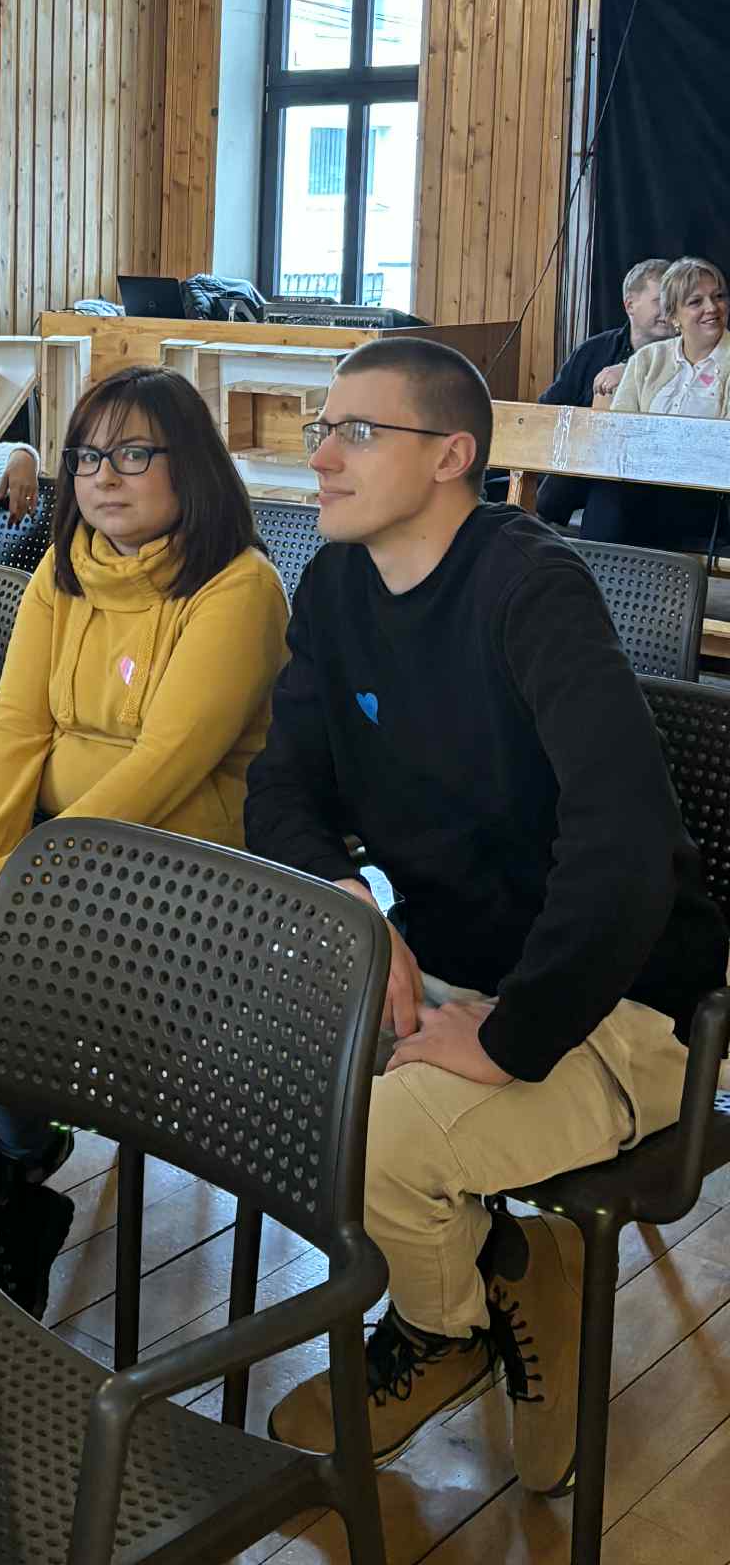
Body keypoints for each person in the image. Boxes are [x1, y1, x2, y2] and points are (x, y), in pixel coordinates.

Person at [246, 337, 725, 1494]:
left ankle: (442, 1330)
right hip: (455, 962)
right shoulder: (338, 582)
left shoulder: (530, 587)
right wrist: (357, 910)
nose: (322, 455)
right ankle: (519, 1263)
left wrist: (514, 1036)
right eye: (321, 427)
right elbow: (283, 786)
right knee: (262, 1083)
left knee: (379, 1141)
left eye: (358, 431)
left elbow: (625, 846)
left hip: (621, 999)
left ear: (452, 455)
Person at [0, 365, 290, 1316]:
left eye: (134, 454)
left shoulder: (240, 587)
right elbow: (15, 726)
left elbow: (165, 767)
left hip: (172, 861)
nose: (104, 476)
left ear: (191, 465)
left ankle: (16, 1157)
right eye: (89, 456)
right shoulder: (64, 571)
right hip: (44, 834)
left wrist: (12, 883)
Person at [581, 256, 730, 552]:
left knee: (618, 501)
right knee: (609, 495)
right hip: (645, 485)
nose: (712, 308)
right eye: (696, 301)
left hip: (710, 496)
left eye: (718, 297)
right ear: (674, 316)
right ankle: (595, 577)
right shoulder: (647, 360)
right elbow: (619, 433)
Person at [534, 257, 672, 527]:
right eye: (660, 301)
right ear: (630, 305)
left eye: (674, 301)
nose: (669, 309)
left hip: (648, 477)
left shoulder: (686, 358)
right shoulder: (592, 351)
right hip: (577, 470)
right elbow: (549, 409)